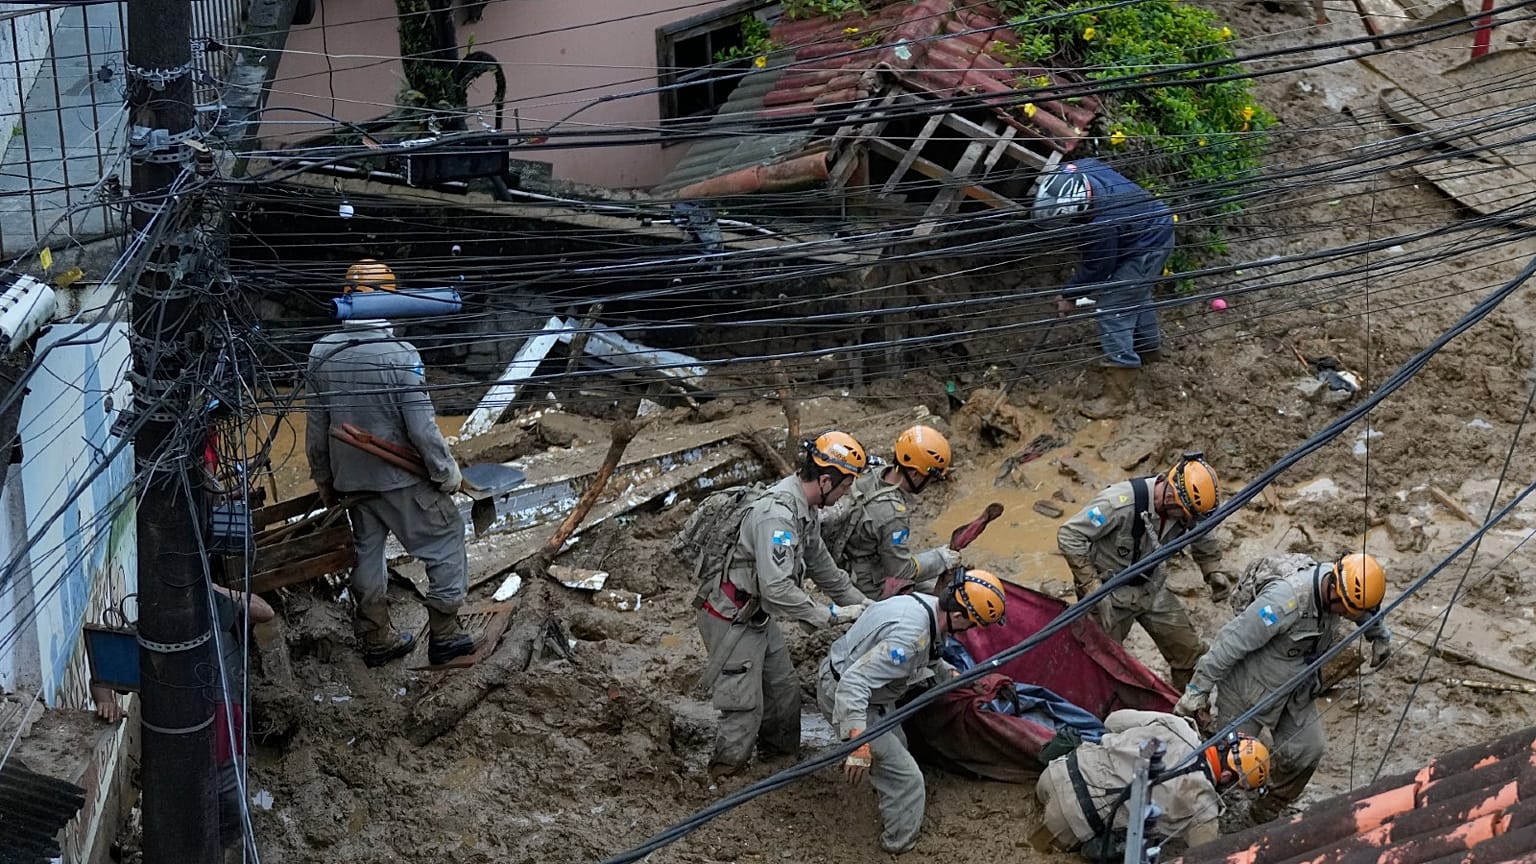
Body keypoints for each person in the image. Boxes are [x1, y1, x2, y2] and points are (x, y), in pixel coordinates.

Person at [305, 259, 474, 668]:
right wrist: (445, 472)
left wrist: (324, 480)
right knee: (445, 537)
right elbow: (422, 428)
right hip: (399, 480)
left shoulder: (321, 352)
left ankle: (376, 637)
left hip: (352, 482)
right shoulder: (401, 354)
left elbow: (316, 428)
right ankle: (446, 635)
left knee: (367, 553)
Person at [694, 431, 875, 776]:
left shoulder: (804, 510)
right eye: (844, 487)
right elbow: (776, 587)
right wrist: (828, 616)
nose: (843, 497)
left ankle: (778, 764)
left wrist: (865, 606)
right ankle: (724, 774)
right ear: (825, 480)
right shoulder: (777, 515)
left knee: (783, 691)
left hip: (756, 614)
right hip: (730, 616)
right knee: (744, 706)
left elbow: (824, 567)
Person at [1175, 552, 1393, 823]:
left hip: (1296, 688)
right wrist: (1197, 691)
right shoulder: (1284, 602)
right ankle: (1197, 819)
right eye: (1347, 611)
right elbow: (1230, 643)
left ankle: (1263, 811)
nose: (1350, 617)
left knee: (1308, 750)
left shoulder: (1342, 583)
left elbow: (1363, 609)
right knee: (1226, 764)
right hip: (1248, 691)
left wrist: (1378, 633)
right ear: (1334, 590)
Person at [818, 568, 1008, 853]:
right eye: (973, 625)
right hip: (848, 696)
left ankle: (882, 781)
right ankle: (899, 846)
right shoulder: (909, 638)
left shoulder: (926, 607)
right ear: (958, 616)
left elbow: (928, 659)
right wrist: (858, 740)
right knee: (909, 781)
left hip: (866, 688)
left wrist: (959, 679)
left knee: (901, 747)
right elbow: (854, 683)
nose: (971, 632)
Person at [90, 584, 275, 858]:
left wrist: (211, 586)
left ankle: (218, 852)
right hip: (175, 758)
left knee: (232, 812)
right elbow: (101, 677)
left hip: (226, 749)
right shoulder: (146, 638)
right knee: (178, 823)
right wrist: (105, 701)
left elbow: (265, 611)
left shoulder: (215, 618)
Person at [1057, 452, 1234, 692]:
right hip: (1109, 595)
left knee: (1189, 652)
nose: (1188, 520)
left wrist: (1212, 569)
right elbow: (1070, 535)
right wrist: (1091, 586)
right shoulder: (1118, 503)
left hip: (1152, 587)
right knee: (1102, 662)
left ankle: (1186, 704)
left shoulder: (1187, 510)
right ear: (1171, 495)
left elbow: (1201, 528)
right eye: (1186, 513)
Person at [1034, 159, 1175, 418]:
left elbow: (1098, 269)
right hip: (1151, 225)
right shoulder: (1077, 168)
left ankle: (1118, 393)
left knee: (1113, 308)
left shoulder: (1101, 226)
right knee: (1133, 294)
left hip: (1148, 244)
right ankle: (1149, 350)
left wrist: (1069, 295)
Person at [1033, 713, 1269, 857]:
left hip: (1053, 773)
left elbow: (1112, 721)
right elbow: (1204, 856)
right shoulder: (1204, 809)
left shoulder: (1177, 725)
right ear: (1228, 777)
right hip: (1067, 821)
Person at [827, 424, 960, 599]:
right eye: (930, 479)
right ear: (915, 474)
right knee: (930, 604)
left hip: (849, 560)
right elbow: (901, 570)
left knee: (926, 588)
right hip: (866, 582)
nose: (929, 485)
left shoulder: (874, 471)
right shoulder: (893, 513)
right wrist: (941, 559)